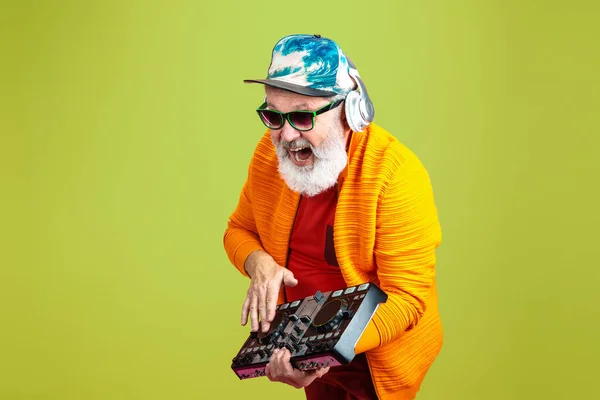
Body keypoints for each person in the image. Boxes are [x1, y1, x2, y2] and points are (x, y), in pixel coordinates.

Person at [223, 34, 443, 400]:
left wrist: (327, 349)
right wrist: (258, 263)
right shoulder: (268, 154)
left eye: (302, 116)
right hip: (303, 344)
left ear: (349, 111)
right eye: (274, 116)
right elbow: (239, 230)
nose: (287, 135)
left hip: (374, 358)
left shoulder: (396, 174)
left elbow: (406, 298)